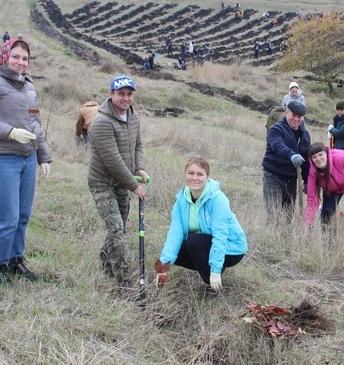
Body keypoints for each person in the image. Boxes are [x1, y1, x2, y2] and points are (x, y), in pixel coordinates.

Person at [0, 38, 52, 285]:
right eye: (16, 57)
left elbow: (34, 123)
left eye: (25, 58)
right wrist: (10, 131)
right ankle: (0, 268)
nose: (20, 62)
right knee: (9, 217)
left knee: (23, 214)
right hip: (2, 158)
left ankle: (16, 261)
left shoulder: (27, 84)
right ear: (5, 56)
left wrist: (43, 155)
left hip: (27, 158)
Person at [154, 156, 248, 298]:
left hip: (231, 248)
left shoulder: (217, 199)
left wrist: (215, 271)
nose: (195, 178)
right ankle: (210, 270)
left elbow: (220, 236)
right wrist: (162, 269)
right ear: (185, 175)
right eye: (191, 173)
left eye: (200, 174)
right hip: (205, 244)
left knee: (193, 241)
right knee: (178, 250)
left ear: (207, 177)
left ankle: (214, 285)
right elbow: (175, 235)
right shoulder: (181, 201)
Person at [87, 75, 149, 289]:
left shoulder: (134, 117)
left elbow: (138, 146)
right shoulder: (102, 122)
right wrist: (135, 185)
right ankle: (122, 280)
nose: (125, 98)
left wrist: (139, 167)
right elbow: (112, 160)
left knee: (119, 229)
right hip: (102, 183)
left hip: (122, 183)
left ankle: (105, 261)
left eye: (129, 94)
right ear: (111, 94)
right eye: (121, 94)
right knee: (116, 229)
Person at [262, 101, 311, 221]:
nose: (296, 119)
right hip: (273, 175)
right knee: (273, 214)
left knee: (288, 215)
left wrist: (307, 180)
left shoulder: (305, 135)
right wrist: (292, 155)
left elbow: (306, 159)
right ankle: (271, 237)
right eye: (293, 115)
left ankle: (285, 238)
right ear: (286, 113)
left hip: (292, 179)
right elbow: (278, 146)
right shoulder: (276, 129)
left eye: (299, 117)